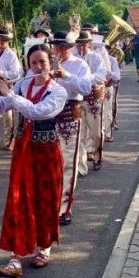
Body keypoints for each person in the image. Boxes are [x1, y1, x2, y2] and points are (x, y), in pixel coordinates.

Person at [0, 44, 68, 278]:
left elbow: (37, 112)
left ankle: (44, 246)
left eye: (43, 62)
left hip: (47, 153)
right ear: (29, 65)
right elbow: (1, 107)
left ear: (51, 64)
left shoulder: (58, 91)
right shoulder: (21, 84)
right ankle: (16, 256)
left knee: (46, 199)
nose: (38, 67)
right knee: (19, 199)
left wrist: (9, 94)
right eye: (34, 63)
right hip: (23, 151)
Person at [48, 31, 95, 225]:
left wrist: (65, 75)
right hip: (49, 115)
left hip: (69, 113)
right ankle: (51, 204)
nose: (57, 51)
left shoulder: (79, 64)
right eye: (55, 47)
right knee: (50, 163)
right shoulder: (46, 62)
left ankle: (65, 208)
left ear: (69, 48)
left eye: (62, 47)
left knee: (68, 162)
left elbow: (85, 88)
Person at [74, 31, 108, 174]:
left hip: (93, 98)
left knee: (96, 134)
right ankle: (81, 166)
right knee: (79, 134)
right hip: (77, 98)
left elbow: (102, 74)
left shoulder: (96, 57)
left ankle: (97, 156)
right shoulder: (73, 58)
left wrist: (86, 79)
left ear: (89, 43)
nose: (81, 46)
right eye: (79, 43)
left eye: (84, 43)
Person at [103, 47, 122, 142]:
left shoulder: (112, 60)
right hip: (94, 89)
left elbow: (117, 75)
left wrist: (109, 73)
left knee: (107, 111)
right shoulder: (91, 58)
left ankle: (108, 133)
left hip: (107, 87)